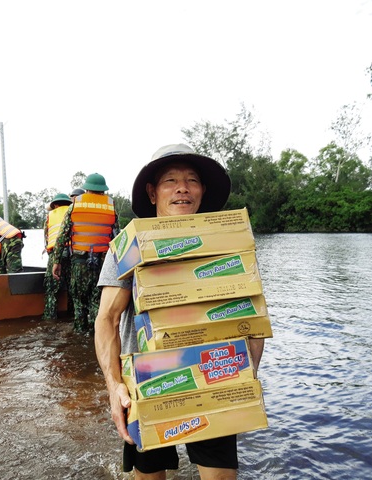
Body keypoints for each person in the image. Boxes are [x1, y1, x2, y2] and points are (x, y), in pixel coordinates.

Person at [94, 144, 265, 480]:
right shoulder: (128, 247)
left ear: (202, 191)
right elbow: (107, 320)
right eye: (170, 180)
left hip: (213, 376)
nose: (182, 188)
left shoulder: (226, 246)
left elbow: (252, 318)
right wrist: (115, 387)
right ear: (152, 192)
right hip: (147, 382)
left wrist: (247, 377)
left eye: (191, 180)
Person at [52, 174, 118, 331]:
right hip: (102, 264)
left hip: (79, 264)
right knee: (97, 302)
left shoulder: (75, 205)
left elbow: (62, 237)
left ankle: (80, 336)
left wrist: (56, 262)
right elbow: (117, 236)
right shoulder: (111, 206)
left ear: (87, 188)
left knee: (79, 303)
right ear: (103, 190)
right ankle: (97, 338)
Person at [43, 193, 73, 320]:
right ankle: (72, 317)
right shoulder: (73, 213)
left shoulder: (49, 216)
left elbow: (46, 236)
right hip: (72, 252)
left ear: (55, 205)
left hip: (55, 253)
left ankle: (50, 318)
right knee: (72, 289)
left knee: (51, 289)